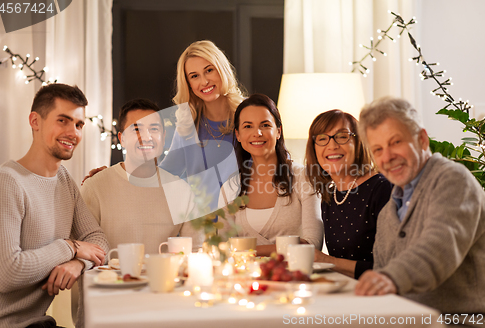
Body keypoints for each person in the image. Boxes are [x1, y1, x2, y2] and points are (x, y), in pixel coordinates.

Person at [355, 96, 485, 321]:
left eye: (396, 142)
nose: (387, 157)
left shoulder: (453, 180)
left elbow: (437, 248)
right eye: (378, 149)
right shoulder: (387, 213)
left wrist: (389, 277)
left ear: (422, 140)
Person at [0, 84, 109, 328]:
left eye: (78, 125)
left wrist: (78, 262)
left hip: (38, 323)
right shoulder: (6, 181)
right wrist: (70, 247)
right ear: (35, 121)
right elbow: (6, 274)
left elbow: (98, 241)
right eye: (63, 120)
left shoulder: (63, 180)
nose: (73, 132)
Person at [80, 98, 204, 254]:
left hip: (163, 277)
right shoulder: (95, 187)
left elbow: (195, 251)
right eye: (136, 129)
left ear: (163, 137)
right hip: (108, 277)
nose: (146, 137)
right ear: (122, 139)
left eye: (154, 129)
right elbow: (83, 251)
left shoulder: (182, 191)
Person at [223, 93, 323, 255]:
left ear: (278, 131)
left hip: (296, 276)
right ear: (238, 135)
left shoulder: (304, 176)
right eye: (248, 126)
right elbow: (224, 248)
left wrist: (247, 249)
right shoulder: (230, 186)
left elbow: (313, 244)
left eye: (265, 125)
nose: (257, 133)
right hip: (244, 277)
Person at [159, 40, 246, 215]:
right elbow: (164, 174)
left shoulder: (247, 117)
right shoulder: (187, 126)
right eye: (194, 76)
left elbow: (274, 162)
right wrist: (117, 173)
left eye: (209, 70)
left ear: (221, 69)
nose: (204, 81)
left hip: (246, 222)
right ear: (189, 84)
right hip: (204, 227)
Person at [305, 110, 392, 279]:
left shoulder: (382, 188)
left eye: (342, 136)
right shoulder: (331, 195)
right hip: (348, 291)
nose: (332, 146)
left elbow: (393, 267)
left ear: (359, 142)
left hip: (384, 295)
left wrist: (326, 260)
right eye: (322, 138)